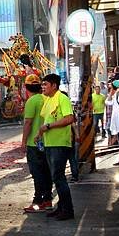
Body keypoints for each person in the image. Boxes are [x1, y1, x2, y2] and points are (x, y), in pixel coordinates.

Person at [36, 74, 75, 221]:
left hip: (60, 144)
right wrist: (40, 133)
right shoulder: (48, 100)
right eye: (42, 84)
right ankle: (61, 208)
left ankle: (68, 210)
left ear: (54, 85)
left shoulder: (62, 98)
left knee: (59, 177)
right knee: (56, 177)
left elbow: (69, 118)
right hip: (50, 143)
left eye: (45, 84)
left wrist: (48, 126)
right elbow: (47, 119)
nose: (43, 87)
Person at [21, 74, 52, 213]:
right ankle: (47, 200)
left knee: (37, 173)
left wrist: (23, 141)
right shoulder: (47, 98)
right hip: (48, 142)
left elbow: (28, 123)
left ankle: (38, 201)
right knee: (46, 171)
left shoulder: (31, 101)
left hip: (34, 144)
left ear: (26, 88)